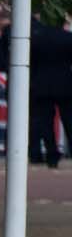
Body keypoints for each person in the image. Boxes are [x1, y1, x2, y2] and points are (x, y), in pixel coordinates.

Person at [31, 16, 72, 168]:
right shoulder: (68, 38)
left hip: (42, 83)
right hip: (64, 83)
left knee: (45, 123)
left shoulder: (37, 38)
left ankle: (51, 154)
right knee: (69, 120)